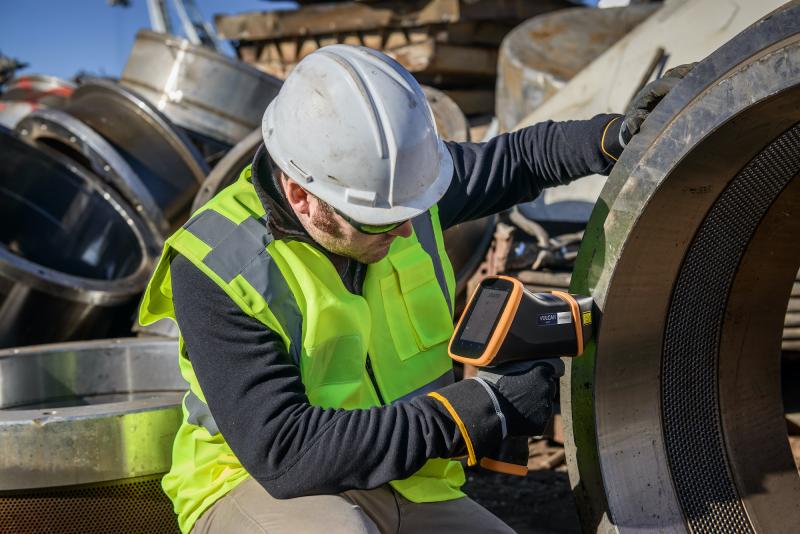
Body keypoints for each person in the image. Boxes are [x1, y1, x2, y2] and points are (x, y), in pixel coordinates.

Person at [140, 45, 692, 534]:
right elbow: (286, 454)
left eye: (412, 207)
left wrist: (614, 137)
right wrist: (478, 409)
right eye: (380, 221)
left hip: (402, 479)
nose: (408, 228)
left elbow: (518, 160)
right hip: (254, 489)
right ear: (301, 195)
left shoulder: (388, 190)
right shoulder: (216, 266)